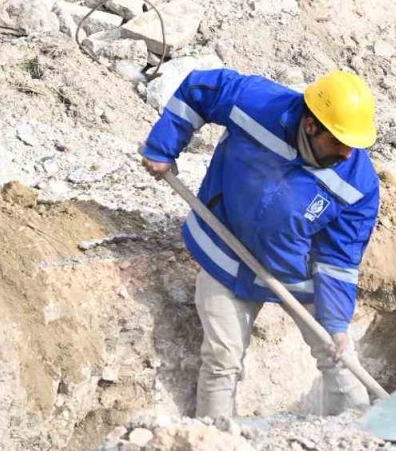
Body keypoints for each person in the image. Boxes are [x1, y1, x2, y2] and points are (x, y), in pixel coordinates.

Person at [140, 69, 381, 418]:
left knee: (339, 358)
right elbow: (199, 89)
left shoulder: (359, 184)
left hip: (294, 274)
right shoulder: (258, 104)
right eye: (339, 141)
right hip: (225, 254)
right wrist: (163, 145)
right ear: (311, 125)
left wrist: (338, 325)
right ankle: (212, 437)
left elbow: (337, 260)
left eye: (354, 144)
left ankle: (357, 433)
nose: (347, 154)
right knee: (222, 360)